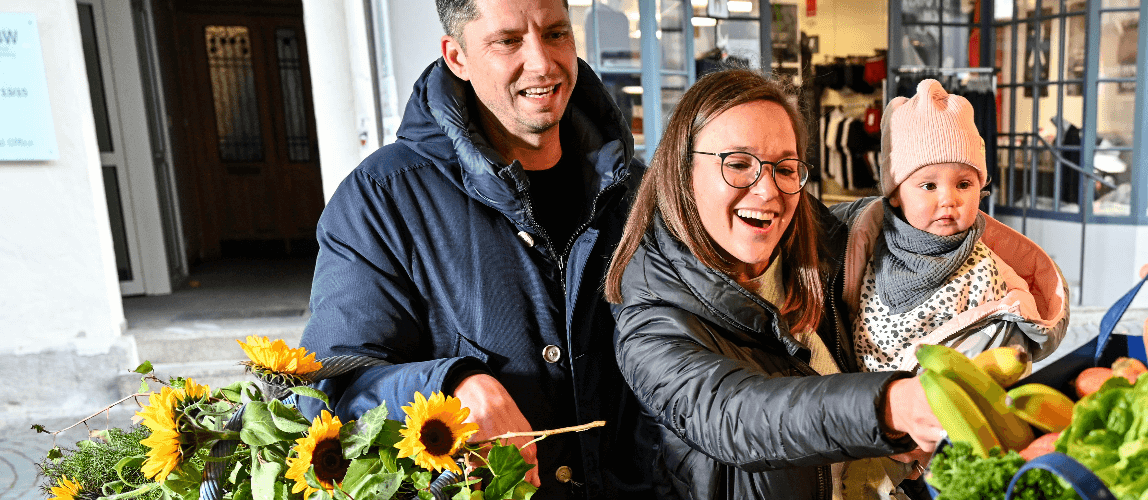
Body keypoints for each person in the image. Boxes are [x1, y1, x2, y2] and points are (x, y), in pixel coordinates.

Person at [297, 0, 650, 496]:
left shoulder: (637, 191)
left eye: (555, 34)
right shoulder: (384, 197)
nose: (543, 62)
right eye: (508, 41)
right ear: (456, 57)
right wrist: (451, 386)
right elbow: (327, 389)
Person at [603, 70, 942, 499]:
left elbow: (914, 222)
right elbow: (738, 415)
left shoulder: (821, 255)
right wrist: (890, 408)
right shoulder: (651, 322)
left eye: (784, 168)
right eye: (738, 164)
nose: (767, 190)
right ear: (683, 170)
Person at [832, 79, 1069, 374]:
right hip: (860, 402)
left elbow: (998, 365)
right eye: (929, 185)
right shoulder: (863, 246)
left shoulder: (983, 273)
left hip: (936, 408)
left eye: (964, 184)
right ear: (894, 193)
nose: (949, 199)